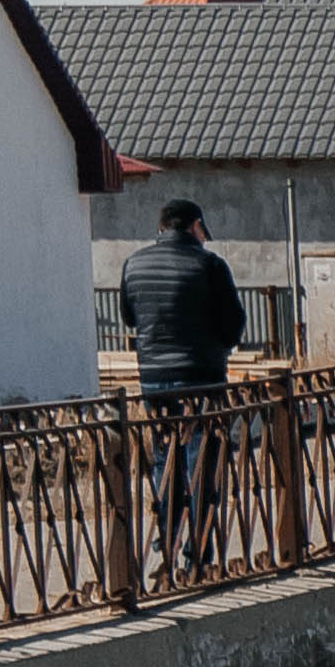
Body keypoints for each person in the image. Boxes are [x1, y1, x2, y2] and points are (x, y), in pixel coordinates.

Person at [117, 199, 243, 566]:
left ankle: (168, 536)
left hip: (154, 379)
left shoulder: (134, 264)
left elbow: (129, 317)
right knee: (201, 459)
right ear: (195, 226)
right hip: (202, 378)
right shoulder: (210, 266)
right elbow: (234, 324)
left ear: (162, 227)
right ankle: (198, 549)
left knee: (164, 456)